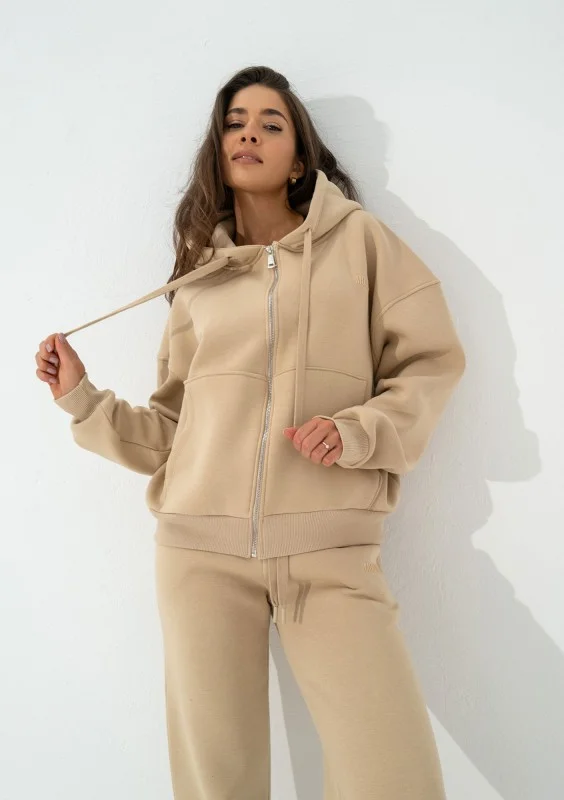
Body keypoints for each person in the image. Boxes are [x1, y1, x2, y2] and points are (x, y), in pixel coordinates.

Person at [35, 65, 466, 799]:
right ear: (218, 149)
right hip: (199, 557)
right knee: (218, 785)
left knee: (393, 776)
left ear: (298, 158)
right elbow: (171, 433)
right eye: (235, 122)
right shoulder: (198, 278)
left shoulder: (361, 243)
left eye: (271, 123)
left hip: (330, 554)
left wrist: (360, 431)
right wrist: (82, 398)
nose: (250, 134)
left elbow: (432, 361)